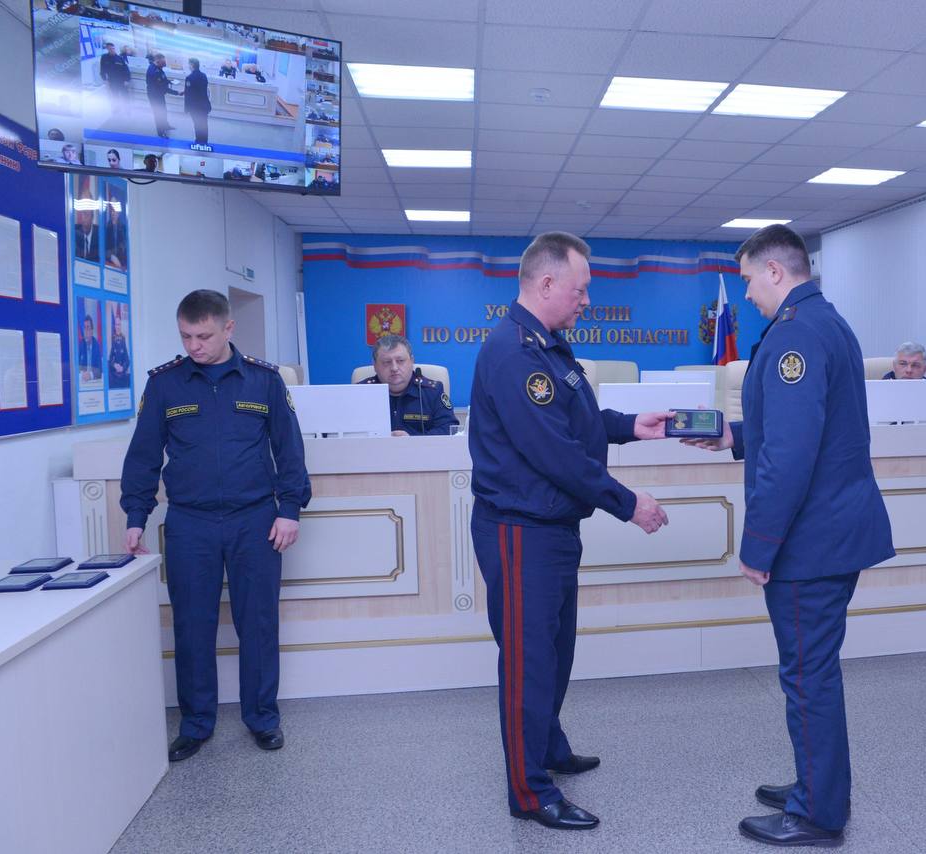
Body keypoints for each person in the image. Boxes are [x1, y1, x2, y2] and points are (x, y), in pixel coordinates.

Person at [684, 224, 894, 848]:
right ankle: (817, 783)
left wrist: (758, 545)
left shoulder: (795, 334)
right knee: (811, 671)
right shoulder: (826, 321)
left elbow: (792, 456)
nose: (747, 293)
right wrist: (734, 436)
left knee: (807, 677)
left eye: (749, 279)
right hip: (833, 532)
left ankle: (818, 812)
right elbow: (801, 428)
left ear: (775, 271)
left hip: (811, 543)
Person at [468, 231, 672, 831]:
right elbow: (555, 453)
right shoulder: (514, 354)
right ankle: (529, 792)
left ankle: (548, 747)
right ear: (547, 282)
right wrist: (628, 504)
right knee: (527, 662)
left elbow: (575, 420)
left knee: (556, 653)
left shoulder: (549, 347)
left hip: (551, 529)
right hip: (520, 531)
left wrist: (630, 425)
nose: (587, 300)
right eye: (580, 290)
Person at [120, 289, 310, 763]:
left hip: (255, 520)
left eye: (203, 336)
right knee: (191, 626)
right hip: (190, 522)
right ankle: (196, 724)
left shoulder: (264, 381)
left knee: (258, 624)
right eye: (186, 336)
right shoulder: (165, 385)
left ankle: (262, 718)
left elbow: (289, 450)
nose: (194, 346)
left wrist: (289, 509)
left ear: (228, 328)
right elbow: (143, 457)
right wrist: (135, 517)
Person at [356, 334, 458, 435]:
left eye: (400, 361)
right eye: (387, 362)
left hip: (420, 446)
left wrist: (412, 440)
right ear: (375, 366)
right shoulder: (360, 393)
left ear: (412, 361)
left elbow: (449, 429)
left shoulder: (432, 392)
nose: (394, 368)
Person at [145, 54, 179, 138]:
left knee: (163, 111)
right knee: (158, 113)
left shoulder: (158, 68)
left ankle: (165, 125)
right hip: (155, 96)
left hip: (159, 94)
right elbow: (163, 88)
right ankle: (161, 132)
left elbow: (163, 79)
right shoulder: (154, 72)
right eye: (163, 61)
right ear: (157, 60)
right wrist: (177, 93)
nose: (165, 63)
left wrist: (170, 81)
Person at [183, 58, 211, 145]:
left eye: (189, 64)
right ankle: (204, 142)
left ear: (191, 65)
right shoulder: (204, 76)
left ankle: (198, 141)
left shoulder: (189, 78)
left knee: (197, 124)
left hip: (194, 106)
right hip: (204, 104)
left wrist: (186, 108)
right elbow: (203, 90)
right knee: (204, 124)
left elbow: (188, 94)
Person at [98, 42, 131, 116]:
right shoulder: (104, 58)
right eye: (110, 49)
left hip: (122, 81)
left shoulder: (119, 58)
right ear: (107, 49)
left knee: (125, 96)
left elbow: (126, 70)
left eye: (113, 48)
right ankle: (117, 109)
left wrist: (127, 80)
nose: (112, 50)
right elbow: (102, 70)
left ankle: (127, 110)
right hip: (112, 81)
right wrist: (105, 80)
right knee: (115, 96)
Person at [104, 195, 127, 270]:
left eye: (115, 210)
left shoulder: (124, 229)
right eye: (111, 210)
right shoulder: (106, 228)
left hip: (123, 266)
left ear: (119, 211)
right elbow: (102, 250)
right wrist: (111, 256)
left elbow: (124, 247)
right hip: (109, 265)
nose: (113, 213)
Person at [77, 314, 102, 382]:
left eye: (88, 328)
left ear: (92, 331)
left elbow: (100, 370)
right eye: (84, 328)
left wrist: (90, 375)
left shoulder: (96, 346)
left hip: (93, 382)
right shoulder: (81, 345)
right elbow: (77, 366)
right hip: (83, 381)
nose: (86, 331)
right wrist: (82, 373)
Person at [107, 319, 130, 388]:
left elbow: (127, 361)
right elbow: (109, 360)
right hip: (114, 376)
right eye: (116, 325)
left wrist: (123, 368)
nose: (118, 327)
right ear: (114, 326)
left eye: (119, 324)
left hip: (123, 375)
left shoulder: (124, 339)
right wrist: (114, 365)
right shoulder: (111, 339)